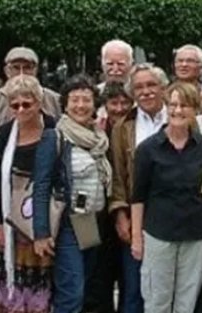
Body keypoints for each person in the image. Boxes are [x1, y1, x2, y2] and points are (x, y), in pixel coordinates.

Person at [131, 82, 202, 313]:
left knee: (187, 301)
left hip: (196, 234)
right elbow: (138, 196)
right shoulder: (148, 149)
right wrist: (136, 238)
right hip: (159, 233)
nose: (178, 111)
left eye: (184, 105)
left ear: (194, 110)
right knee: (158, 300)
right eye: (173, 105)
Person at [33, 75, 112, 313]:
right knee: (71, 292)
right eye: (74, 100)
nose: (80, 105)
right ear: (65, 105)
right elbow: (41, 185)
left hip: (89, 221)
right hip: (66, 223)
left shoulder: (99, 139)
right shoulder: (55, 137)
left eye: (86, 100)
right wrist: (41, 232)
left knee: (83, 286)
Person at [0, 75, 57, 313]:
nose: (21, 109)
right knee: (5, 285)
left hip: (46, 221)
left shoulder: (54, 130)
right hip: (11, 220)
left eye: (27, 103)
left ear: (39, 102)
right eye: (15, 105)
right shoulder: (4, 134)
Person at [110, 63, 170, 313]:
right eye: (139, 88)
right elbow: (117, 173)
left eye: (151, 85)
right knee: (134, 289)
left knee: (168, 289)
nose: (145, 92)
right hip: (138, 219)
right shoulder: (123, 127)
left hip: (173, 216)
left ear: (163, 88)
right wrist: (121, 214)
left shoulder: (182, 119)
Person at [89, 80, 133, 313]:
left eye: (124, 102)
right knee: (100, 276)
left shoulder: (134, 129)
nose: (118, 108)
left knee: (129, 278)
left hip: (128, 211)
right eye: (113, 102)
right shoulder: (95, 131)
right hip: (99, 216)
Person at [0, 47, 62, 132]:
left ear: (36, 70)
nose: (21, 73)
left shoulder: (53, 99)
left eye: (27, 67)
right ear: (7, 71)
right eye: (16, 68)